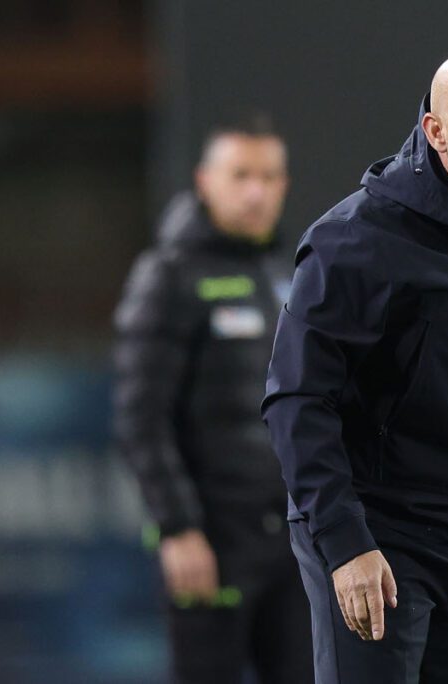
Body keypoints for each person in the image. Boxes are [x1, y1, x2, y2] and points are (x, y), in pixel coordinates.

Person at [262, 48, 448, 683]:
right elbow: (297, 400)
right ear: (436, 131)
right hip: (378, 540)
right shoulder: (356, 240)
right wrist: (346, 544)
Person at [112, 115, 313, 684]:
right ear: (205, 181)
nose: (256, 191)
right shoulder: (167, 276)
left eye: (269, 176)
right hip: (214, 542)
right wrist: (177, 528)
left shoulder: (288, 272)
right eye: (240, 174)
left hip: (295, 545)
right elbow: (139, 417)